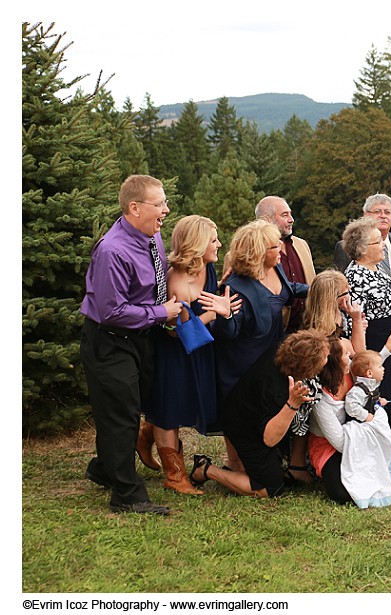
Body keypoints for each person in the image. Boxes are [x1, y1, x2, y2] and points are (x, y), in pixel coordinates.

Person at [80, 174, 181, 515]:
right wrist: (161, 311)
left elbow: (155, 280)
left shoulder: (152, 235)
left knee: (126, 406)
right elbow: (111, 311)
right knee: (121, 414)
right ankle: (127, 494)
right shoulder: (112, 251)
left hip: (141, 337)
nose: (166, 210)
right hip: (110, 340)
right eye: (160, 204)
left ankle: (105, 468)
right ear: (134, 207)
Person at [145, 215, 241, 495]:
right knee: (169, 409)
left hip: (200, 349)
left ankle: (144, 434)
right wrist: (217, 311)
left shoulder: (207, 268)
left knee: (182, 401)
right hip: (174, 352)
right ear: (198, 245)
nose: (219, 244)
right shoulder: (176, 280)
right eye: (213, 240)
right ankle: (174, 476)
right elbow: (177, 332)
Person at [210, 219, 310, 474]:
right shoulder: (238, 288)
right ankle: (235, 464)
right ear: (258, 253)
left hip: (270, 356)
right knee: (241, 413)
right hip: (242, 365)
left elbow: (291, 291)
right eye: (275, 247)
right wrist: (224, 315)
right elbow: (228, 334)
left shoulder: (276, 269)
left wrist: (321, 288)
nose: (281, 251)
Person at [188, 331, 327, 498]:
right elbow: (269, 439)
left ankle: (237, 466)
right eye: (323, 359)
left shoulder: (286, 350)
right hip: (244, 428)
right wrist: (293, 405)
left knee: (265, 470)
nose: (326, 359)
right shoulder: (276, 390)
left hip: (248, 411)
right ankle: (205, 470)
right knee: (270, 488)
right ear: (306, 368)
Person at [307, 337, 391, 507]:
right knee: (342, 494)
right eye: (346, 353)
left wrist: (387, 349)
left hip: (358, 432)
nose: (351, 355)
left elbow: (368, 367)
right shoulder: (321, 399)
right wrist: (370, 433)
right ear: (336, 361)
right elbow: (340, 443)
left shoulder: (349, 372)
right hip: (331, 446)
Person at [340, 215, 391, 402]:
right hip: (374, 350)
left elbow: (389, 300)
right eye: (378, 241)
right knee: (379, 402)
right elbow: (352, 324)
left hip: (390, 347)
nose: (384, 244)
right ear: (362, 249)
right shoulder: (355, 278)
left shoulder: (375, 268)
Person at [255, 196, 317, 333]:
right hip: (274, 334)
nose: (291, 219)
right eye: (285, 215)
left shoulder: (302, 245)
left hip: (308, 331)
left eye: (290, 214)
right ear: (266, 219)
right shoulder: (249, 253)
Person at [333, 193, 391, 292]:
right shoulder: (347, 246)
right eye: (377, 212)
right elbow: (340, 286)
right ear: (366, 215)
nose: (383, 216)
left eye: (387, 212)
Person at [345, 350, 384, 423]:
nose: (383, 369)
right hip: (360, 425)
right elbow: (351, 406)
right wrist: (365, 416)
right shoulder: (358, 391)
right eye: (380, 367)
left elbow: (371, 399)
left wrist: (379, 401)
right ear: (369, 373)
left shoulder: (372, 386)